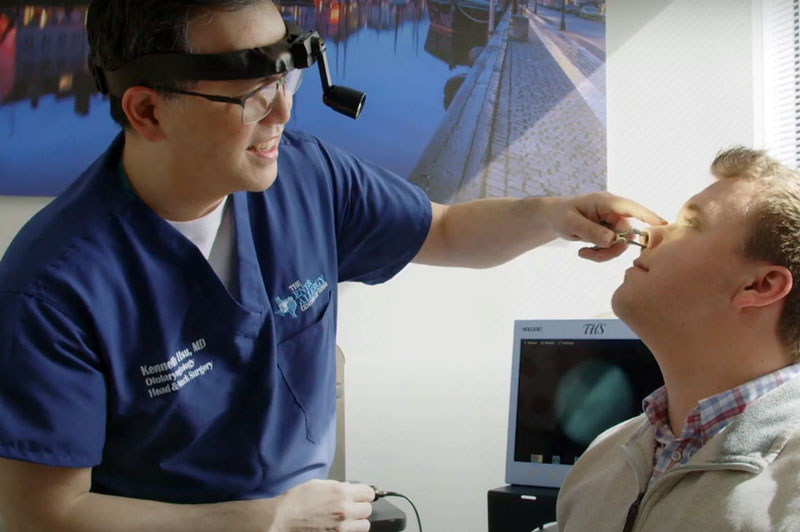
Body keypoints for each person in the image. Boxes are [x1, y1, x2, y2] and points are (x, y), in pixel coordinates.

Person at [0, 1, 664, 531]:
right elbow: (42, 513)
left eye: (284, 73)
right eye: (248, 93)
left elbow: (445, 229)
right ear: (146, 109)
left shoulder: (307, 176)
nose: (283, 110)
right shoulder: (55, 286)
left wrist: (548, 212)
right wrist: (257, 523)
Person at [553, 147, 800, 532]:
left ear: (759, 285)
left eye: (691, 224)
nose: (650, 233)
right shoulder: (601, 460)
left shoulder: (790, 493)